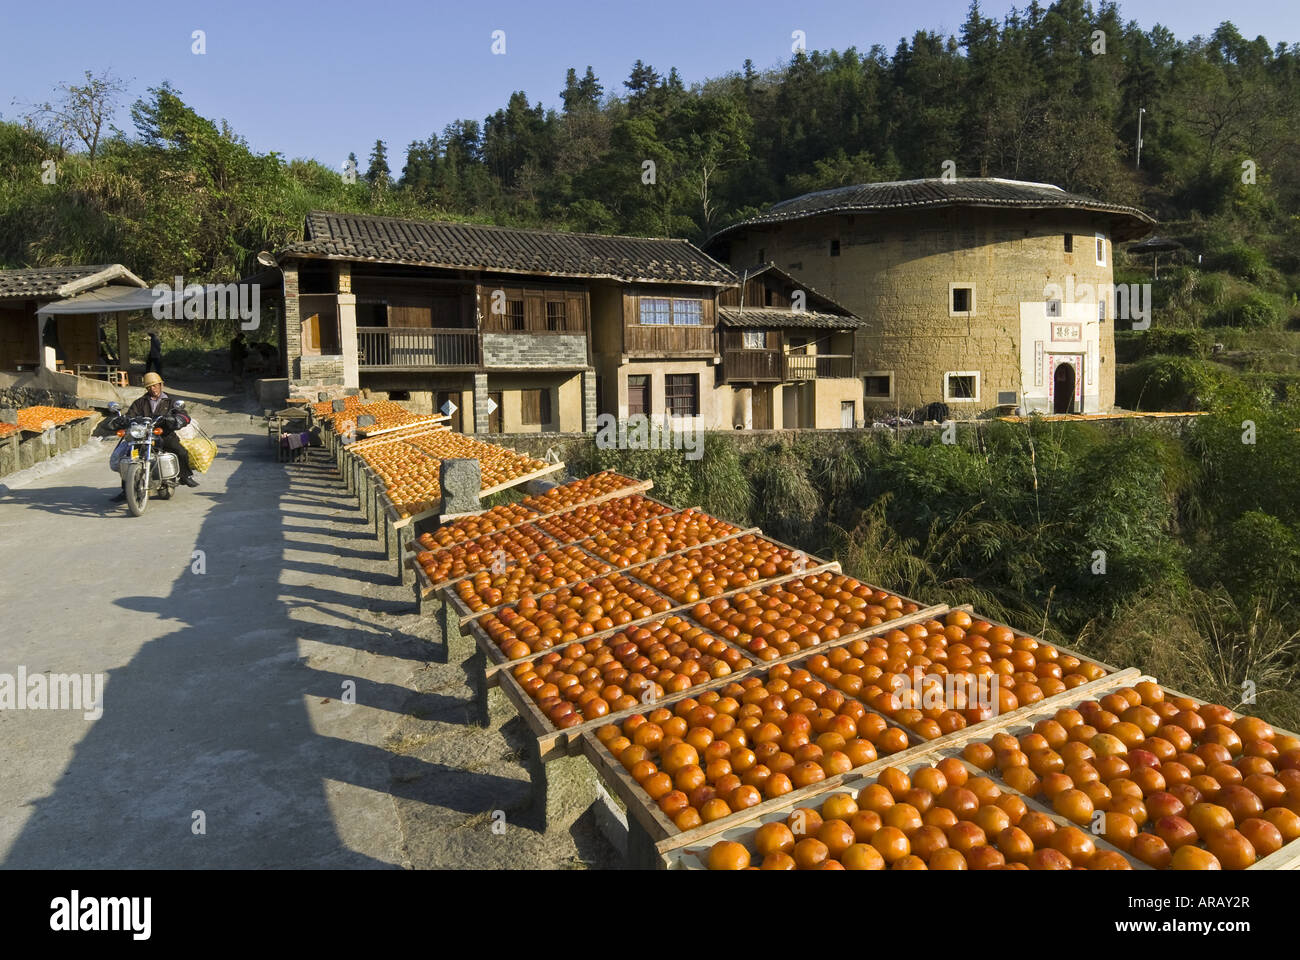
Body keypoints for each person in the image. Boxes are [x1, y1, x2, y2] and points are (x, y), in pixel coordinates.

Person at [110, 372, 198, 501]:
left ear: (161, 384)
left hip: (163, 433)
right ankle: (126, 489)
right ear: (146, 388)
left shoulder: (171, 401)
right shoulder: (140, 402)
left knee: (181, 452)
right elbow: (130, 415)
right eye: (150, 386)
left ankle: (185, 476)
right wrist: (123, 420)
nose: (153, 389)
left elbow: (184, 415)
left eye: (155, 385)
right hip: (142, 435)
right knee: (128, 456)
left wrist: (177, 420)